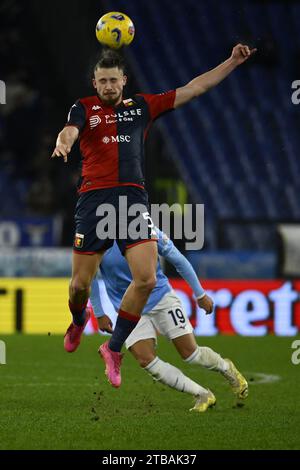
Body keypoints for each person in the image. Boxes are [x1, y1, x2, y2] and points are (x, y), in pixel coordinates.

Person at [51, 44, 256, 388]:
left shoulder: (142, 106)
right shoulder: (83, 108)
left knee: (146, 279)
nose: (108, 87)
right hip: (94, 203)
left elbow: (195, 88)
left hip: (132, 202)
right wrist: (66, 142)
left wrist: (232, 62)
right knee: (78, 285)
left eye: (113, 80)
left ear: (124, 81)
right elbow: (69, 129)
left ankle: (113, 349)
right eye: (102, 81)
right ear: (94, 83)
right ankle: (77, 318)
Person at [74, 228, 248, 411]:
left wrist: (200, 294)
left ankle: (226, 367)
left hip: (161, 299)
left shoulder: (145, 228)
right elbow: (88, 276)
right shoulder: (98, 235)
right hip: (129, 310)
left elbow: (177, 259)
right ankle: (202, 394)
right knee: (145, 359)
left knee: (191, 354)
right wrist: (99, 312)